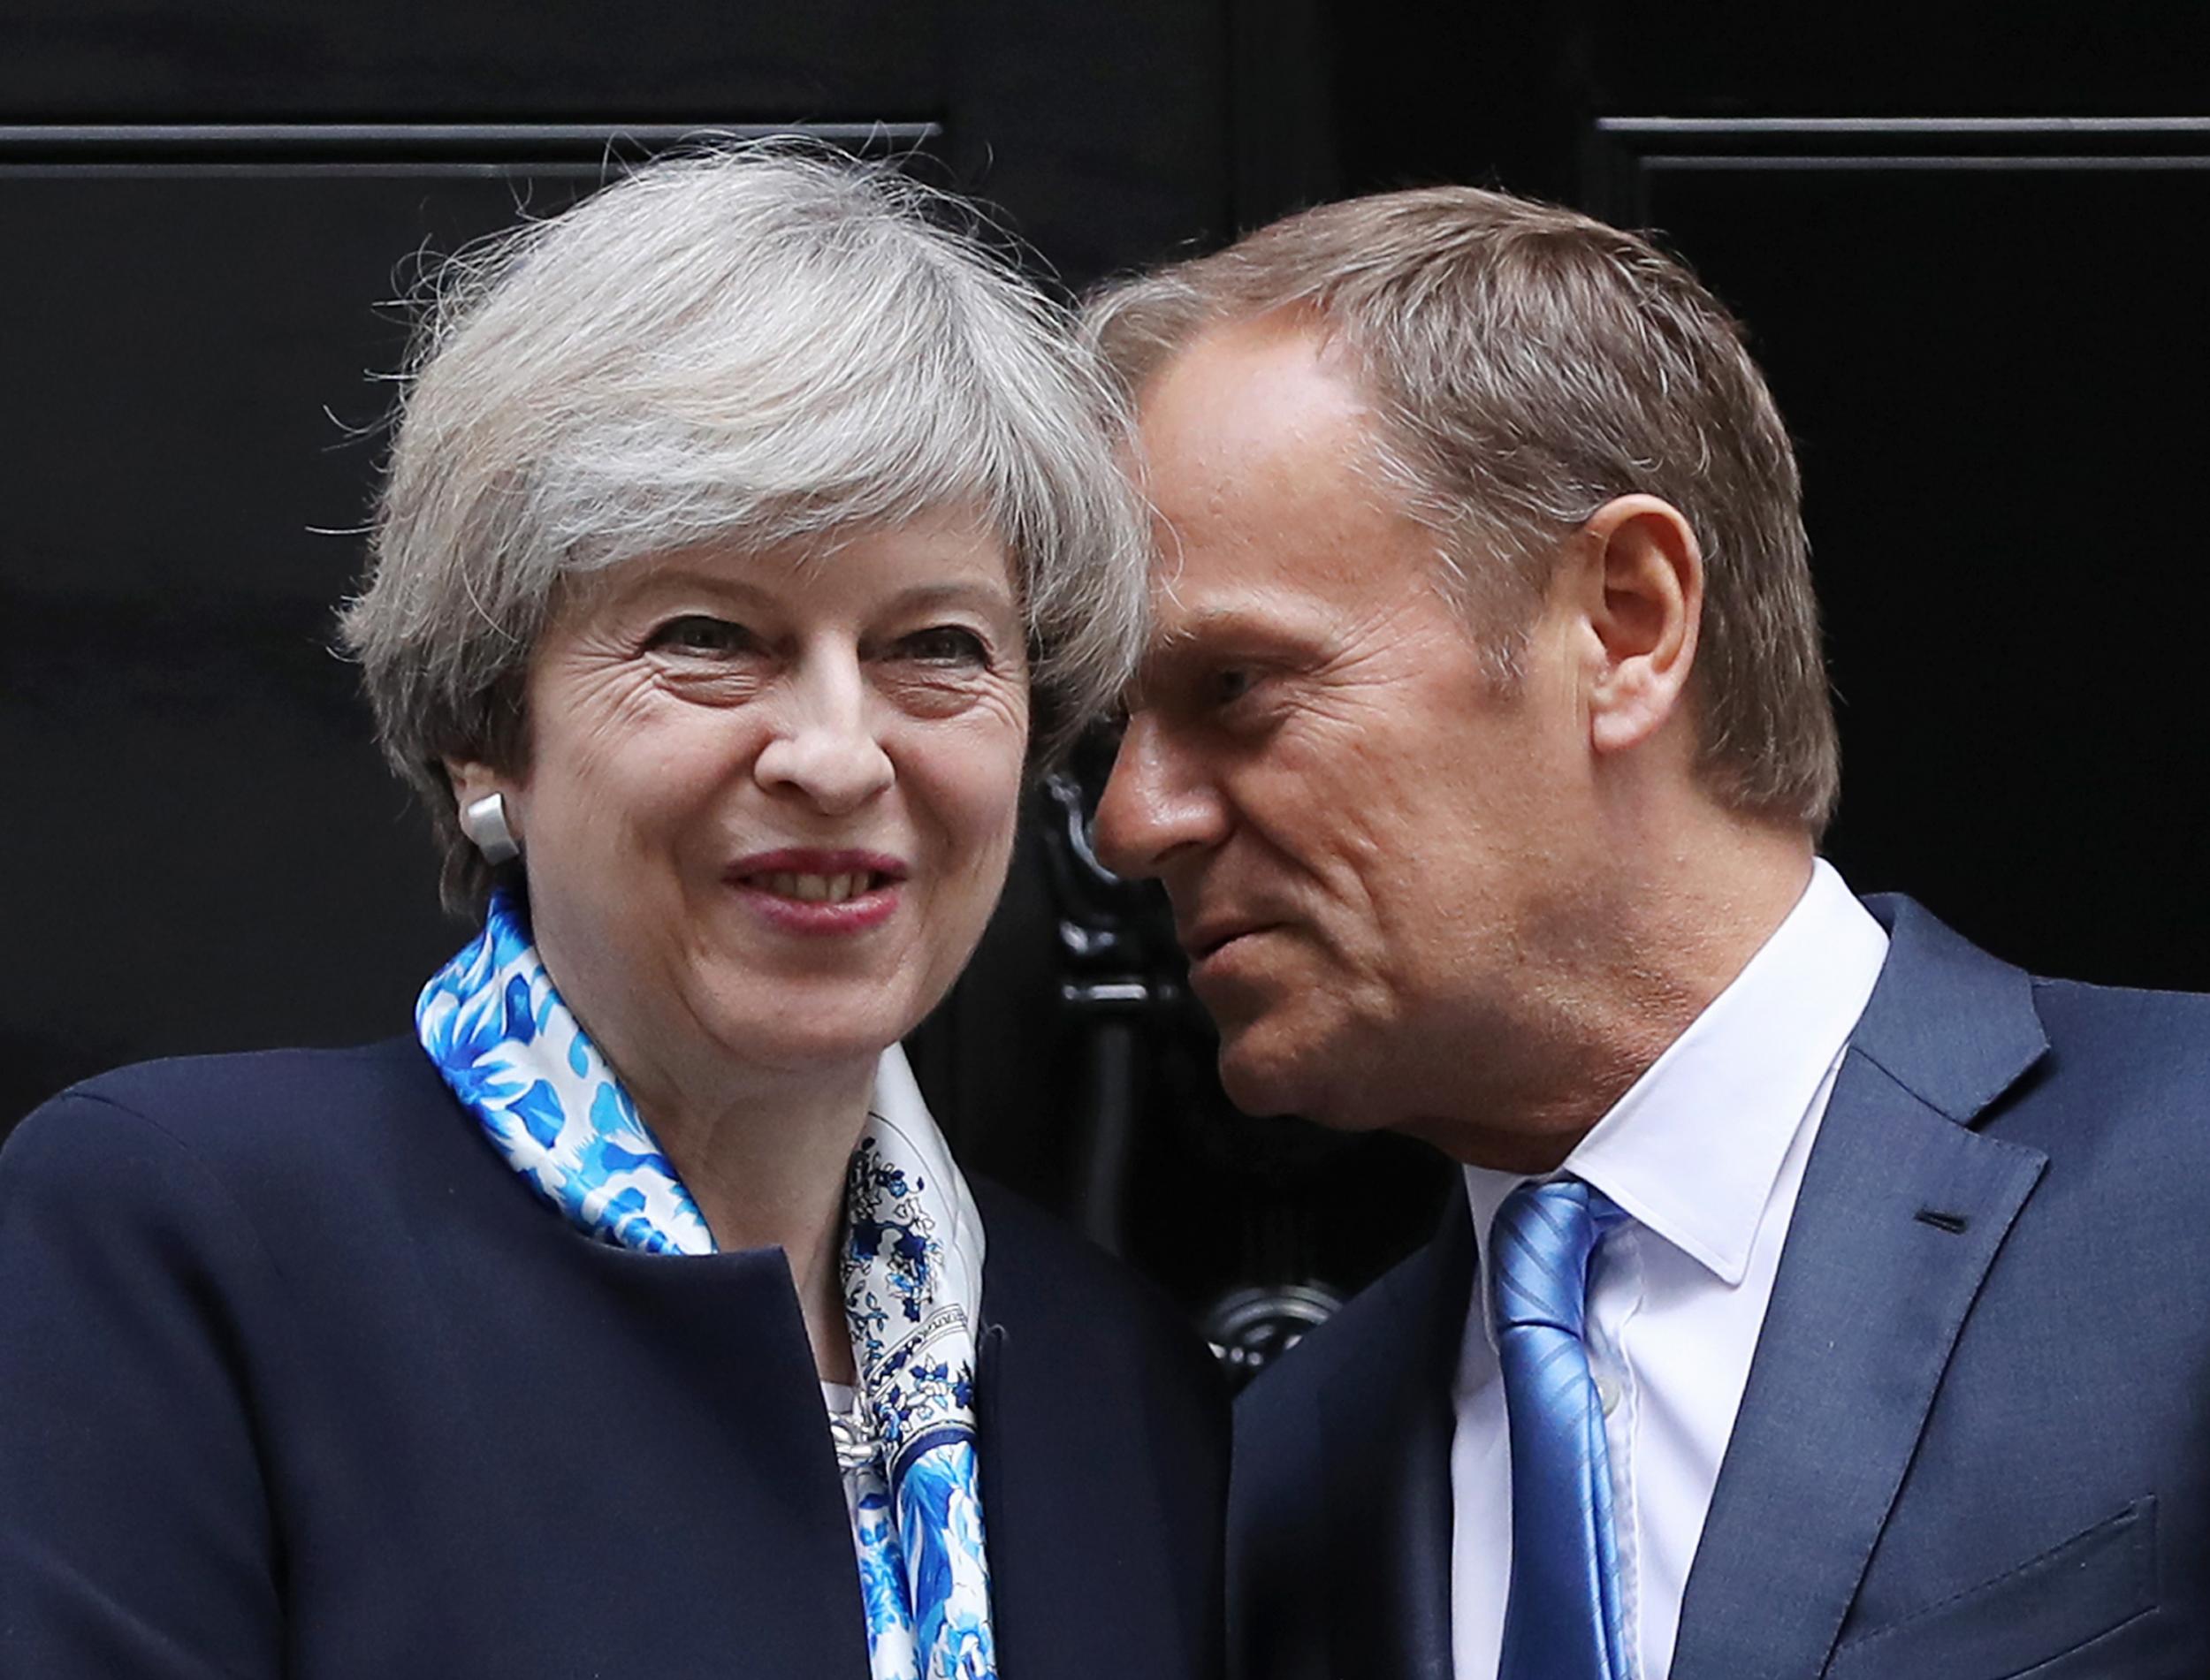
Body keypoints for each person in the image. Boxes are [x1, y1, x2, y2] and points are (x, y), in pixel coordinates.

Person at [0, 148, 1225, 1680]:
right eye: (712, 636)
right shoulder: (183, 1245)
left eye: (936, 645)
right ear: (484, 732)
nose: (840, 754)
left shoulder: (1125, 1381)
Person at [1081, 185, 2209, 1679]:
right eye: (1112, 728)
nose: (1127, 819)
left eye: (1237, 687)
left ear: (1622, 623)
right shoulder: (1284, 1480)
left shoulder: (2179, 1195)